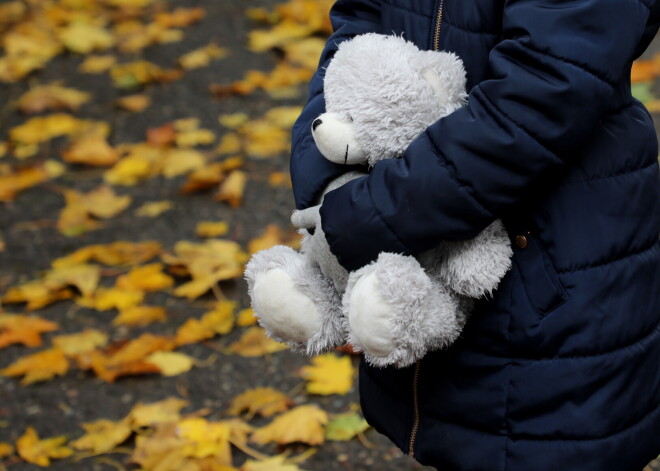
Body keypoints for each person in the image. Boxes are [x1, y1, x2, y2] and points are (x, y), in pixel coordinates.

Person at [289, 0, 660, 470]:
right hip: (419, 232)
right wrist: (327, 172)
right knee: (457, 436)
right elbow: (358, 22)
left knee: (542, 446)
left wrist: (366, 214)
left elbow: (544, 92)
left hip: (548, 263)